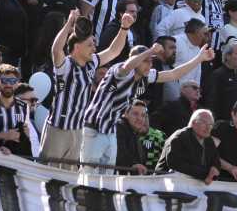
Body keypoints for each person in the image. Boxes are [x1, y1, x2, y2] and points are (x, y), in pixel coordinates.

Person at [81, 43, 215, 174]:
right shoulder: (120, 69)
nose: (149, 64)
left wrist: (199, 59)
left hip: (110, 130)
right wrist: (150, 50)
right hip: (95, 127)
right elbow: (128, 66)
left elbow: (174, 74)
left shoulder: (145, 77)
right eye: (145, 61)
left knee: (107, 174)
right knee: (89, 171)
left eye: (151, 61)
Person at [40, 10, 131, 167]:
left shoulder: (91, 63)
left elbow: (114, 51)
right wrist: (69, 24)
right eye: (89, 44)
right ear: (76, 47)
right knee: (48, 173)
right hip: (58, 128)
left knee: (69, 178)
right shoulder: (66, 65)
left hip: (77, 129)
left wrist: (124, 28)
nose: (94, 48)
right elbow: (56, 50)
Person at [156, 108, 222, 183]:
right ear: (194, 123)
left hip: (194, 185)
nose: (208, 128)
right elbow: (174, 163)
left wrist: (214, 168)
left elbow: (216, 161)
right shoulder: (179, 137)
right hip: (165, 184)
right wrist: (205, 173)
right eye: (204, 123)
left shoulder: (209, 141)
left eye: (210, 124)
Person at [0, 64, 39, 156]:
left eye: (12, 81)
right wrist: (3, 135)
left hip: (17, 159)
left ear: (17, 83)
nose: (8, 84)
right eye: (4, 80)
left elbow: (26, 137)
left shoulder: (23, 107)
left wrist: (26, 135)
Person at [116, 100, 151, 175]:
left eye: (143, 115)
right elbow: (119, 154)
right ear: (125, 114)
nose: (140, 118)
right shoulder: (119, 127)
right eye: (135, 114)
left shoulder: (134, 131)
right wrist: (132, 165)